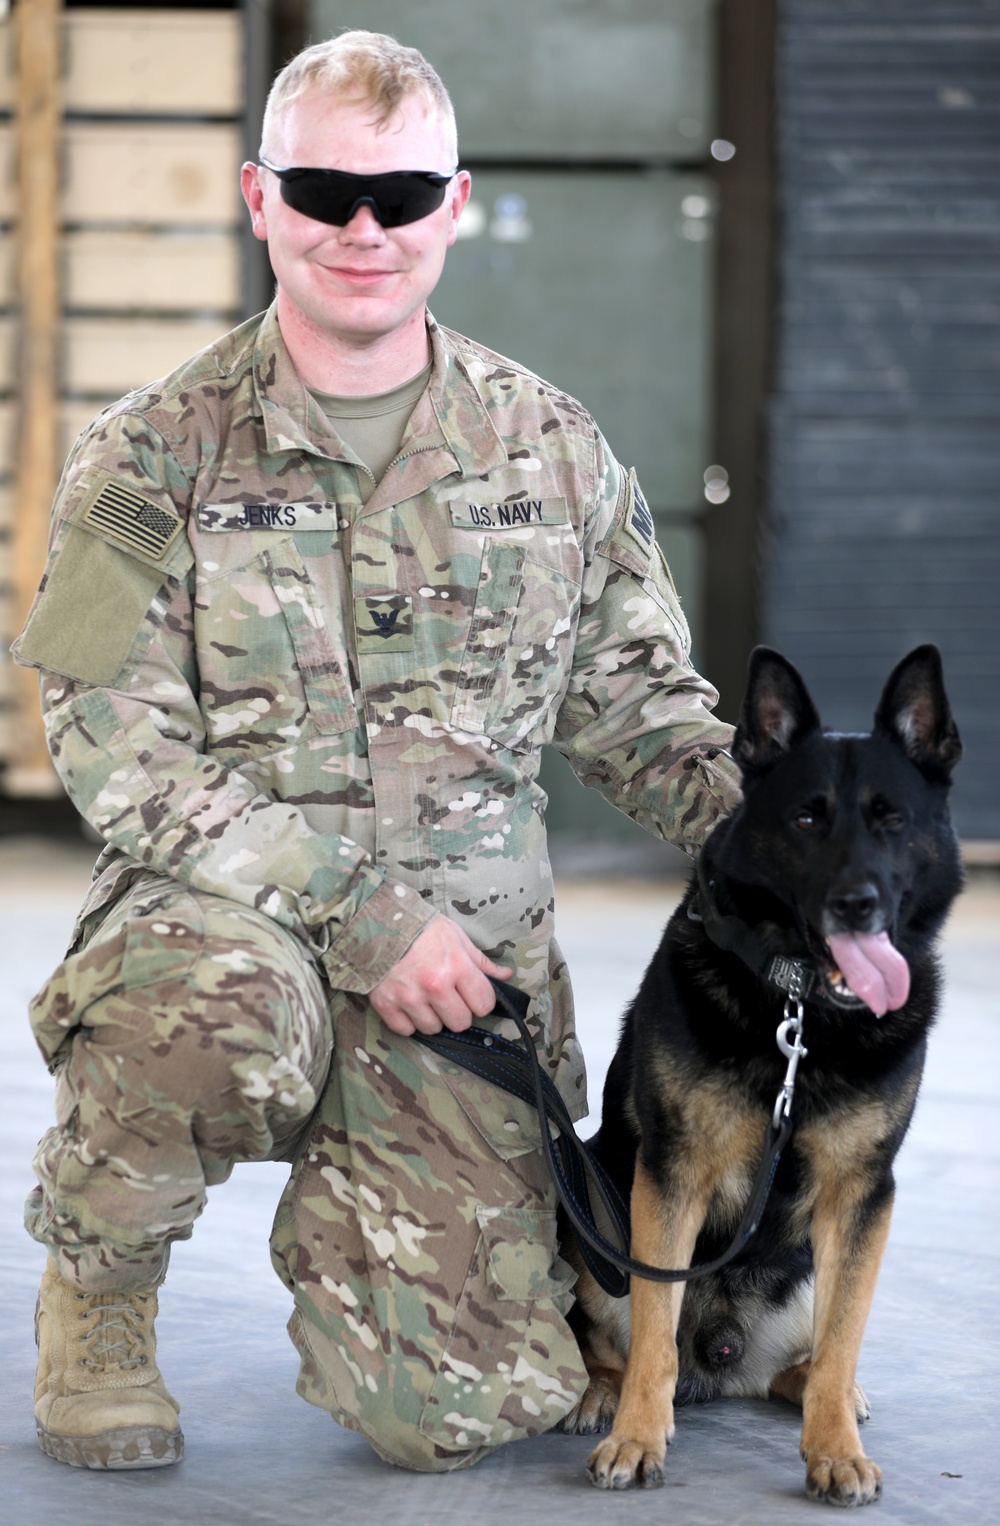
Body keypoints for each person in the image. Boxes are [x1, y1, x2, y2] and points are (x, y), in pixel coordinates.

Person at [13, 30, 739, 1475]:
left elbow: (643, 711)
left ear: (453, 207)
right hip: (238, 929)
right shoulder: (148, 455)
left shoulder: (554, 452)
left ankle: (380, 1231)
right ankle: (97, 1286)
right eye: (326, 190)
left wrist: (797, 840)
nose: (364, 229)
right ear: (258, 197)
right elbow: (103, 730)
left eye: (400, 196)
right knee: (209, 1008)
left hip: (462, 987)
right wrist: (355, 906)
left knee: (458, 1417)